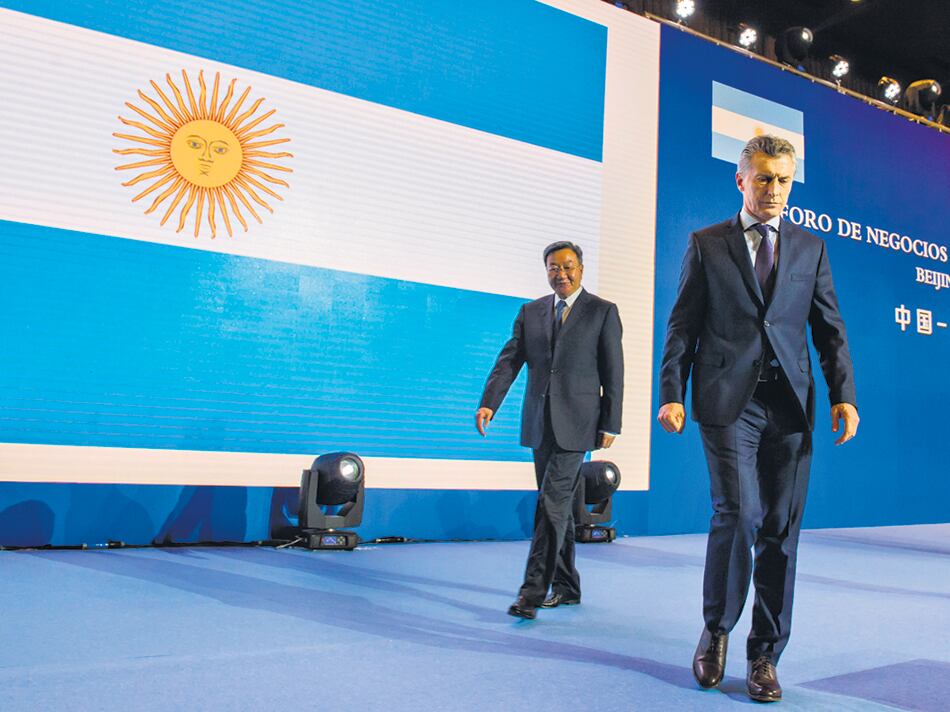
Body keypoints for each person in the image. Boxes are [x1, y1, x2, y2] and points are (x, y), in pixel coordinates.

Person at [657, 135, 859, 702]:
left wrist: (845, 394)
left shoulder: (810, 249)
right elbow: (682, 328)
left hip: (791, 408)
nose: (775, 191)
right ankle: (717, 630)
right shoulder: (706, 244)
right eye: (765, 179)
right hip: (727, 402)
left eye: (784, 180)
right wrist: (671, 391)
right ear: (741, 180)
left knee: (780, 532)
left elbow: (829, 329)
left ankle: (765, 654)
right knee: (739, 513)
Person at [476, 241, 624, 620]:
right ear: (546, 271)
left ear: (581, 268)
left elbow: (614, 373)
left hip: (578, 424)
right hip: (540, 423)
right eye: (554, 268)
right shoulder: (531, 312)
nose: (562, 273)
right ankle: (568, 586)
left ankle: (531, 593)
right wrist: (489, 402)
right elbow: (510, 360)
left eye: (568, 266)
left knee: (551, 505)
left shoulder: (603, 312)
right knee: (560, 507)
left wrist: (611, 421)